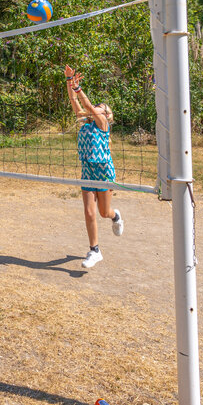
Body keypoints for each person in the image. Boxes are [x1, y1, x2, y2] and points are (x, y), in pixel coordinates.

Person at [65, 65, 124, 268]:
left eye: (103, 107)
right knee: (89, 213)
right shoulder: (86, 122)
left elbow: (89, 106)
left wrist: (79, 88)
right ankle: (94, 250)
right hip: (87, 170)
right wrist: (69, 81)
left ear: (108, 115)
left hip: (104, 172)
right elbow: (75, 103)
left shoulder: (103, 125)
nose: (99, 107)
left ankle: (115, 216)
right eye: (98, 106)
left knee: (103, 212)